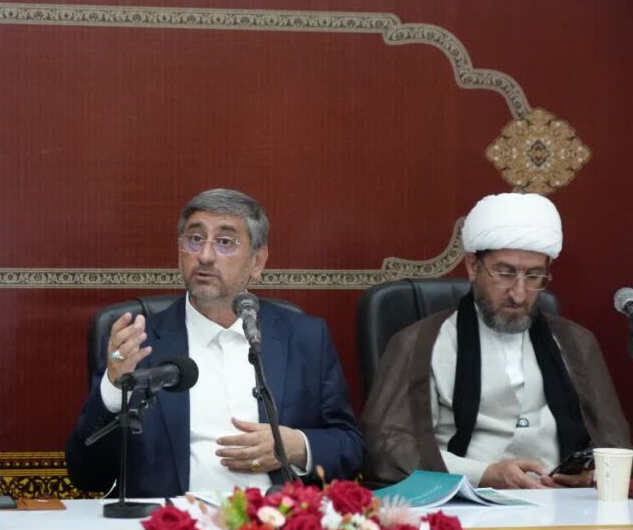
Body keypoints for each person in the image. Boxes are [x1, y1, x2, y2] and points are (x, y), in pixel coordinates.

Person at [66, 189, 363, 497]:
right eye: (195, 239)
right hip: (171, 523)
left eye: (225, 242)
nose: (205, 255)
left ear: (257, 261)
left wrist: (298, 446)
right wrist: (114, 388)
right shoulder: (138, 344)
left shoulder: (305, 339)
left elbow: (351, 448)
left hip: (276, 521)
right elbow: (86, 475)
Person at [362, 193, 630, 489]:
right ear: (472, 267)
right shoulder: (420, 343)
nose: (519, 293)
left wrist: (591, 473)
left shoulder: (576, 343)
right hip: (466, 501)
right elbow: (389, 448)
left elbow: (613, 443)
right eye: (505, 273)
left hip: (564, 501)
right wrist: (484, 473)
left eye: (534, 276)